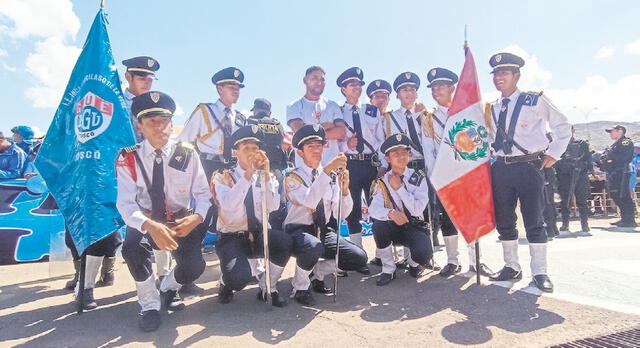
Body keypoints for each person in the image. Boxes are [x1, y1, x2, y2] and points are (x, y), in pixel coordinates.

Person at [116, 91, 210, 332]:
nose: (160, 128)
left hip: (180, 220)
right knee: (132, 249)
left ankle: (167, 288)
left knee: (194, 268)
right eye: (152, 122)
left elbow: (203, 194)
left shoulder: (186, 152)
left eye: (164, 121)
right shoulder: (129, 157)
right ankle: (149, 305)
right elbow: (125, 204)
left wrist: (197, 217)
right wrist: (149, 225)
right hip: (146, 219)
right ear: (140, 126)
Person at [486, 52, 571, 293]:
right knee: (504, 220)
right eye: (496, 73)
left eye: (504, 72)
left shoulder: (534, 100)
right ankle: (511, 266)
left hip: (528, 166)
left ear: (517, 75)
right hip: (501, 167)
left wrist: (554, 153)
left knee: (534, 219)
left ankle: (540, 272)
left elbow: (562, 126)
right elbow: (489, 138)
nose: (499, 77)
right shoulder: (491, 108)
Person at [283, 124, 367, 305]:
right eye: (310, 147)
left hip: (323, 229)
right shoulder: (293, 177)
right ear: (300, 153)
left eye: (319, 146)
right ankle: (300, 286)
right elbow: (310, 201)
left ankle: (317, 273)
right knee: (313, 246)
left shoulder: (331, 176)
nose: (316, 151)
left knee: (358, 258)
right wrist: (327, 172)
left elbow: (342, 212)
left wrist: (345, 190)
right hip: (299, 230)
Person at [421, 67, 493, 277]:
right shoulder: (429, 118)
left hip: (469, 173)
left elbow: (482, 140)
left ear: (453, 88)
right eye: (433, 87)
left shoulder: (469, 112)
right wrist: (436, 177)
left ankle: (476, 260)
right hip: (446, 177)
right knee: (447, 219)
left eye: (441, 86)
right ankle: (453, 261)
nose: (436, 90)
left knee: (472, 217)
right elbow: (429, 151)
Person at [211, 126, 292, 307]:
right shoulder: (222, 177)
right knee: (239, 279)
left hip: (258, 234)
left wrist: (265, 177)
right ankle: (226, 283)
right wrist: (247, 175)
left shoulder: (265, 175)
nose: (252, 153)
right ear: (235, 152)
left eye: (255, 149)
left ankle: (268, 287)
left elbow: (273, 206)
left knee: (284, 242)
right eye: (246, 148)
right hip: (232, 237)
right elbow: (230, 206)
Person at [369, 134, 435, 285]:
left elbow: (417, 210)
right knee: (378, 225)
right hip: (392, 227)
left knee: (423, 255)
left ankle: (413, 263)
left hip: (413, 225)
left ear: (410, 155)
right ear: (387, 159)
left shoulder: (418, 178)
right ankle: (388, 269)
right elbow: (373, 209)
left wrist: (399, 188)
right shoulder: (382, 182)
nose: (401, 156)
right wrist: (390, 213)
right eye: (395, 154)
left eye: (404, 152)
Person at [335, 67, 385, 266]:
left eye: (358, 84)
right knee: (353, 210)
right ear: (343, 89)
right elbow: (334, 141)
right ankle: (358, 256)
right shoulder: (338, 113)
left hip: (371, 164)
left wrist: (382, 165)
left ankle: (382, 254)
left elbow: (381, 139)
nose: (356, 87)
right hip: (350, 165)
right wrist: (346, 146)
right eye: (352, 84)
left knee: (378, 207)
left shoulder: (371, 110)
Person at [286, 66, 345, 166]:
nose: (319, 82)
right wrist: (328, 126)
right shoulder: (294, 106)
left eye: (322, 79)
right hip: (305, 168)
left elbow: (341, 133)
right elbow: (301, 133)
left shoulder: (332, 105)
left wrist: (311, 129)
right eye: (314, 78)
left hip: (331, 167)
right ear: (305, 80)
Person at [246, 98, 288, 230]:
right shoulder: (277, 124)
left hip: (258, 169)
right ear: (269, 112)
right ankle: (277, 231)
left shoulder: (251, 122)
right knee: (278, 202)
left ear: (256, 110)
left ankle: (259, 232)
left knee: (257, 202)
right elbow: (282, 140)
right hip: (277, 169)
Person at [555, 126, 593, 232]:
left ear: (573, 130)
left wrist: (591, 171)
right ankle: (565, 223)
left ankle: (584, 224)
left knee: (582, 201)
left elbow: (589, 160)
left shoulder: (583, 144)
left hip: (580, 175)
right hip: (565, 177)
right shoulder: (559, 144)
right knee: (565, 202)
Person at [600, 125, 636, 227]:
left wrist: (611, 159)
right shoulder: (615, 144)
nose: (611, 133)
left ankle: (629, 220)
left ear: (620, 131)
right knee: (615, 194)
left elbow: (624, 158)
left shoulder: (625, 142)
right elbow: (607, 157)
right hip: (613, 173)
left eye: (612, 131)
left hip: (622, 172)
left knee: (623, 195)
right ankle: (625, 218)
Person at [122, 56, 160, 143]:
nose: (147, 84)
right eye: (142, 79)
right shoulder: (116, 103)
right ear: (128, 77)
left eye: (150, 80)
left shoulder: (155, 106)